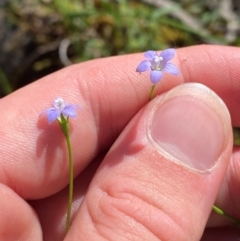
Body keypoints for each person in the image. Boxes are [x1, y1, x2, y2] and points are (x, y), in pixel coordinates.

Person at [0, 45, 239, 241]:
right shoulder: (69, 111)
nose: (156, 63)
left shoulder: (162, 69)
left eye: (159, 62)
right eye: (154, 62)